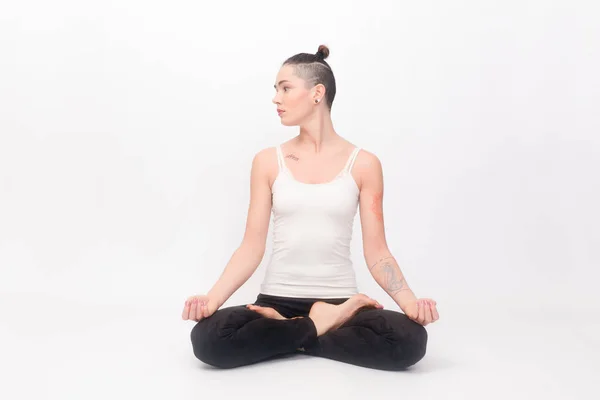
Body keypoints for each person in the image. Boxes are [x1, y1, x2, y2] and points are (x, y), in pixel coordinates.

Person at [182, 44, 440, 371]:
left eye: (285, 88)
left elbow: (378, 252)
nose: (276, 98)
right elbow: (250, 247)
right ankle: (317, 327)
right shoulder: (267, 162)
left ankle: (292, 336)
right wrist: (212, 299)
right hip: (274, 304)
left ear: (317, 93)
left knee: (409, 341)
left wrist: (409, 302)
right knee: (207, 339)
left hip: (341, 302)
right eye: (275, 89)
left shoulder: (364, 164)